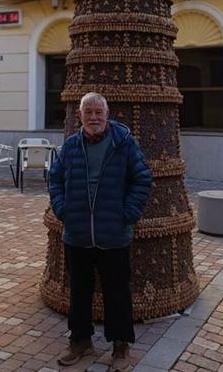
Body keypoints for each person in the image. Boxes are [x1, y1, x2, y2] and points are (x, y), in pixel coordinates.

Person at [48, 92, 152, 371]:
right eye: (88, 112)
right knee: (79, 292)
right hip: (77, 234)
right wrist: (62, 209)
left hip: (113, 234)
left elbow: (142, 179)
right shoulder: (70, 146)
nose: (93, 117)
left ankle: (120, 346)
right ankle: (80, 340)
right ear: (79, 116)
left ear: (107, 115)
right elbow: (54, 178)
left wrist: (127, 214)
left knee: (117, 292)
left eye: (98, 112)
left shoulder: (124, 144)